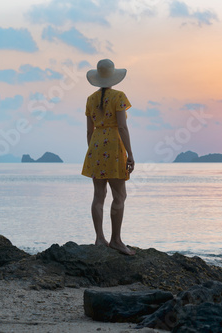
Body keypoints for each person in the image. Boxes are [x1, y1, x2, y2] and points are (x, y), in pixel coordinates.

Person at [82, 59, 136, 256]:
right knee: (119, 195)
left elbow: (89, 131)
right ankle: (116, 240)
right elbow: (122, 126)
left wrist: (94, 151)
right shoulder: (119, 96)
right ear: (113, 77)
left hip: (96, 146)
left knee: (98, 195)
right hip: (113, 146)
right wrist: (130, 154)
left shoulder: (90, 99)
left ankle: (99, 238)